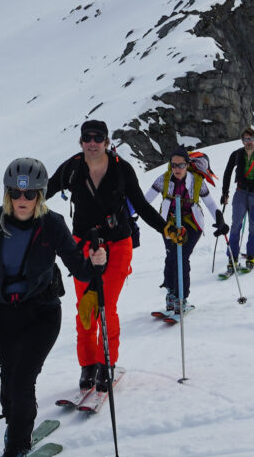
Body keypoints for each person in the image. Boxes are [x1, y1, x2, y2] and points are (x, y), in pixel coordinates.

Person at [0, 157, 107, 457]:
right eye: (16, 193)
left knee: (22, 380)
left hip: (42, 314)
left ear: (41, 195)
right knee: (8, 382)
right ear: (7, 193)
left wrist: (97, 261)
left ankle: (16, 446)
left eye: (30, 195)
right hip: (4, 315)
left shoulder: (53, 224)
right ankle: (15, 425)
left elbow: (80, 268)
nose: (22, 200)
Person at [45, 119, 169, 394]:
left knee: (105, 305)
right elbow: (42, 193)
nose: (92, 143)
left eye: (97, 138)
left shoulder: (121, 169)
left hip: (117, 244)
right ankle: (88, 365)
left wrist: (165, 229)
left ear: (106, 141)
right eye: (87, 138)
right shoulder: (72, 168)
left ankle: (106, 363)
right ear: (81, 142)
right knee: (84, 311)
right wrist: (17, 207)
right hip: (81, 247)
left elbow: (140, 204)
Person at [149, 149, 215, 316]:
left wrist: (219, 220)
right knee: (171, 255)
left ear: (187, 165)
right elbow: (145, 199)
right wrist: (129, 214)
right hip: (168, 225)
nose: (177, 169)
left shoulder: (197, 181)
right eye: (174, 165)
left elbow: (210, 203)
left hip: (192, 224)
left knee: (181, 256)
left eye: (181, 165)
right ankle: (171, 293)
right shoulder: (163, 179)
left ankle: (181, 298)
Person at [217, 127, 254, 272]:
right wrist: (225, 192)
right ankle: (232, 257)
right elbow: (227, 172)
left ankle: (251, 255)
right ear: (242, 141)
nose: (249, 142)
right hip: (241, 193)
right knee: (235, 225)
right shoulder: (236, 154)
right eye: (246, 139)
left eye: (251, 139)